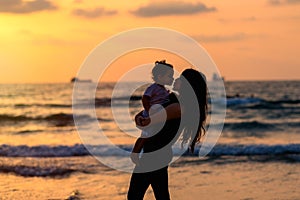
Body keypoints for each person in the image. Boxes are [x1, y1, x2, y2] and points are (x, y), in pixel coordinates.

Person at [127, 68, 208, 200]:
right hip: (159, 153)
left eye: (181, 79)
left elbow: (148, 121)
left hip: (155, 154)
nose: (176, 79)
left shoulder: (178, 107)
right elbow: (146, 115)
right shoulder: (173, 100)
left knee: (134, 195)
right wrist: (140, 117)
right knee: (161, 195)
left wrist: (143, 119)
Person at [130, 60, 174, 166]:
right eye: (169, 76)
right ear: (160, 76)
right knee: (146, 135)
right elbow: (145, 99)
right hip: (150, 114)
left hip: (156, 115)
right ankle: (135, 153)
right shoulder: (153, 88)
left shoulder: (163, 90)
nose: (172, 78)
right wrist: (149, 111)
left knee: (151, 134)